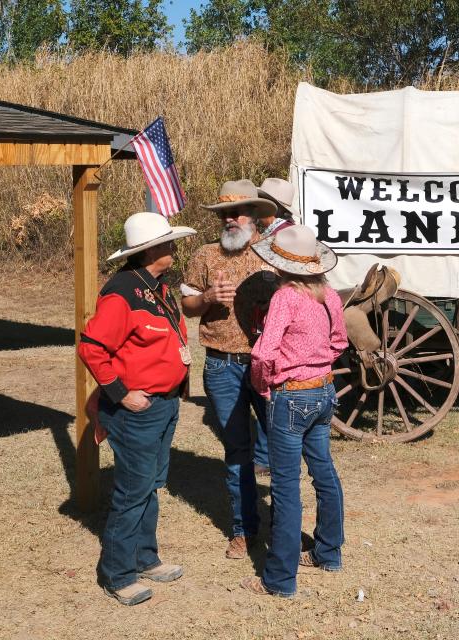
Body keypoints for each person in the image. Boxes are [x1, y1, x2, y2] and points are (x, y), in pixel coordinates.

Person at [78, 211, 197, 606]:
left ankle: (146, 558)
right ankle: (117, 573)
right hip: (137, 410)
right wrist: (120, 393)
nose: (173, 248)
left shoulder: (156, 287)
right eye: (167, 243)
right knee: (133, 493)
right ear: (150, 251)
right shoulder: (122, 291)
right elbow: (92, 348)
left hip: (162, 406)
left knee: (150, 487)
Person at [241, 224, 348, 598]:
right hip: (323, 391)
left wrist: (263, 385)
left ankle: (280, 579)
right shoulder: (329, 295)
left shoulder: (285, 297)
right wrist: (318, 365)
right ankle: (329, 553)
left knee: (285, 487)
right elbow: (340, 342)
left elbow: (262, 352)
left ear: (281, 266)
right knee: (324, 473)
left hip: (291, 396)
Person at [180, 179, 280, 560]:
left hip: (266, 364)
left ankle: (284, 528)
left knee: (283, 448)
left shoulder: (275, 253)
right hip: (222, 366)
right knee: (237, 450)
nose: (230, 219)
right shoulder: (205, 256)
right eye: (224, 213)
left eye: (237, 212)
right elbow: (187, 306)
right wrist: (206, 298)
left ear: (254, 215)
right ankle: (243, 530)